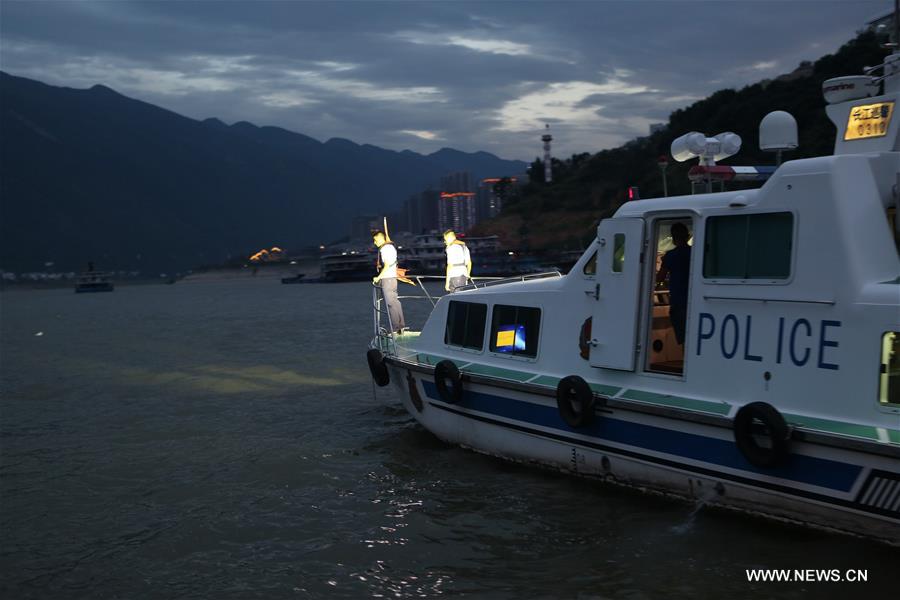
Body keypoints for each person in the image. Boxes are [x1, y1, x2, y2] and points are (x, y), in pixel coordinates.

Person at [657, 222, 691, 345]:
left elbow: (659, 278)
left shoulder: (670, 256)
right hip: (693, 300)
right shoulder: (695, 253)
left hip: (679, 301)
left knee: (683, 339)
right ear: (687, 236)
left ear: (673, 238)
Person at [372, 230, 406, 333]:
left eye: (375, 240)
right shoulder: (390, 247)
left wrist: (378, 277)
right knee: (395, 301)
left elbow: (387, 265)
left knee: (390, 303)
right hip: (392, 278)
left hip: (387, 278)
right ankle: (401, 325)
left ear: (380, 238)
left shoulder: (385, 249)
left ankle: (396, 327)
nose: (374, 242)